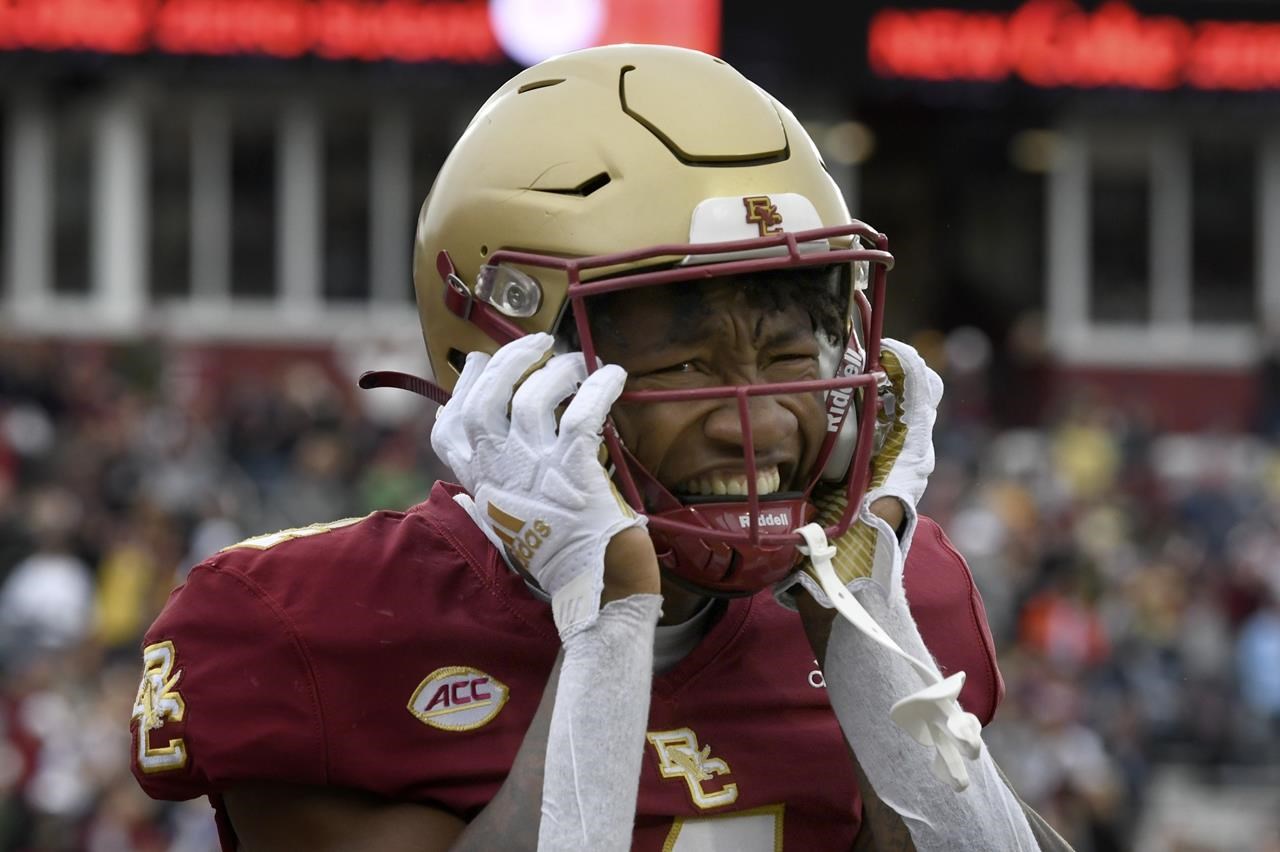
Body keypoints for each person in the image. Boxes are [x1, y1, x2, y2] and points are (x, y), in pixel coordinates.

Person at [129, 45, 1071, 850]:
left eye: (793, 356)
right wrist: (610, 620)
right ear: (509, 363)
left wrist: (869, 633)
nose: (771, 421)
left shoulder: (905, 592)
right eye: (689, 366)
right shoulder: (303, 624)